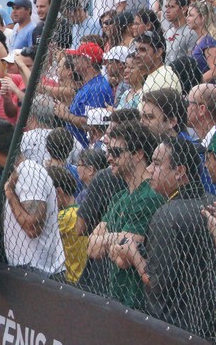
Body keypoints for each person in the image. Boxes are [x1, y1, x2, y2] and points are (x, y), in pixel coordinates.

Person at [112, 138, 216, 338]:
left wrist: (133, 253)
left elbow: (155, 282)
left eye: (157, 164)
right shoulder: (210, 202)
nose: (149, 169)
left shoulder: (165, 215)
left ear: (179, 171)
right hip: (207, 324)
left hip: (174, 327)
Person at [88, 123, 164, 309]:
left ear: (138, 154)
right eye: (108, 152)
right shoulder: (119, 197)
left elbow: (124, 257)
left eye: (116, 152)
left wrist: (107, 240)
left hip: (138, 304)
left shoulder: (149, 196)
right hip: (118, 300)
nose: (109, 158)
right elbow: (91, 248)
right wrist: (115, 239)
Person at [3, 136, 66, 278]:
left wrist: (10, 193)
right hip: (28, 268)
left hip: (40, 271)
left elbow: (32, 228)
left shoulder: (29, 172)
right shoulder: (18, 171)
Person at [54, 42, 113, 147]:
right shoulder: (90, 84)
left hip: (87, 149)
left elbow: (91, 124)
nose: (74, 60)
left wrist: (66, 115)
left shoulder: (97, 89)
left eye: (78, 57)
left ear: (88, 62)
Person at [47, 166, 88, 284]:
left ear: (58, 192)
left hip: (70, 279)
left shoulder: (66, 216)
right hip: (78, 276)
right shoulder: (78, 210)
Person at [162, 0, 198, 64]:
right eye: (166, 7)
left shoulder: (191, 33)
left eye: (172, 7)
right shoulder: (167, 33)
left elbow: (192, 62)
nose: (167, 11)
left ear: (184, 9)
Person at [185, 0, 216, 82]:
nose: (187, 18)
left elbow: (214, 70)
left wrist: (197, 82)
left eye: (191, 15)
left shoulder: (209, 40)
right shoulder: (200, 40)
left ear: (203, 18)